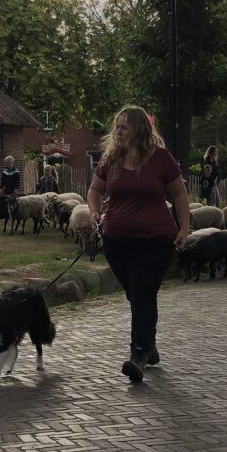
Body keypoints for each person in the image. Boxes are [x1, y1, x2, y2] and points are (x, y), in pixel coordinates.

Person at [87, 105, 189, 383]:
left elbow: (179, 194)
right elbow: (94, 190)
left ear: (139, 129)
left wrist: (184, 227)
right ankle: (150, 345)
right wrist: (94, 212)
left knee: (142, 293)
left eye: (124, 127)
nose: (118, 131)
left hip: (155, 240)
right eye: (116, 126)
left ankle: (138, 354)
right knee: (136, 295)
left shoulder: (161, 159)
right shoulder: (111, 160)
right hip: (116, 240)